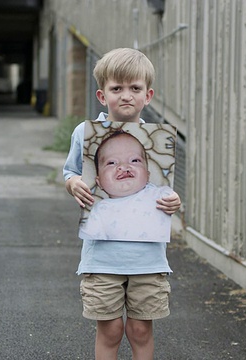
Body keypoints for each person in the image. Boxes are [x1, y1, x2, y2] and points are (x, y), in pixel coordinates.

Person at [63, 48, 181, 359]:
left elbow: (162, 191)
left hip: (148, 259)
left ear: (148, 95)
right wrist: (73, 183)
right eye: (117, 88)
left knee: (141, 329)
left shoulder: (156, 141)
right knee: (111, 328)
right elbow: (71, 172)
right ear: (102, 96)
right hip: (102, 257)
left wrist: (173, 201)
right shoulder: (86, 134)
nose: (126, 95)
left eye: (135, 88)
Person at [79, 130, 174, 242]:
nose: (124, 166)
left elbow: (174, 203)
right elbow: (90, 241)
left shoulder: (159, 195)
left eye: (134, 160)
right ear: (99, 183)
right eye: (112, 162)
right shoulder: (101, 211)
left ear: (147, 175)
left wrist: (175, 202)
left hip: (151, 259)